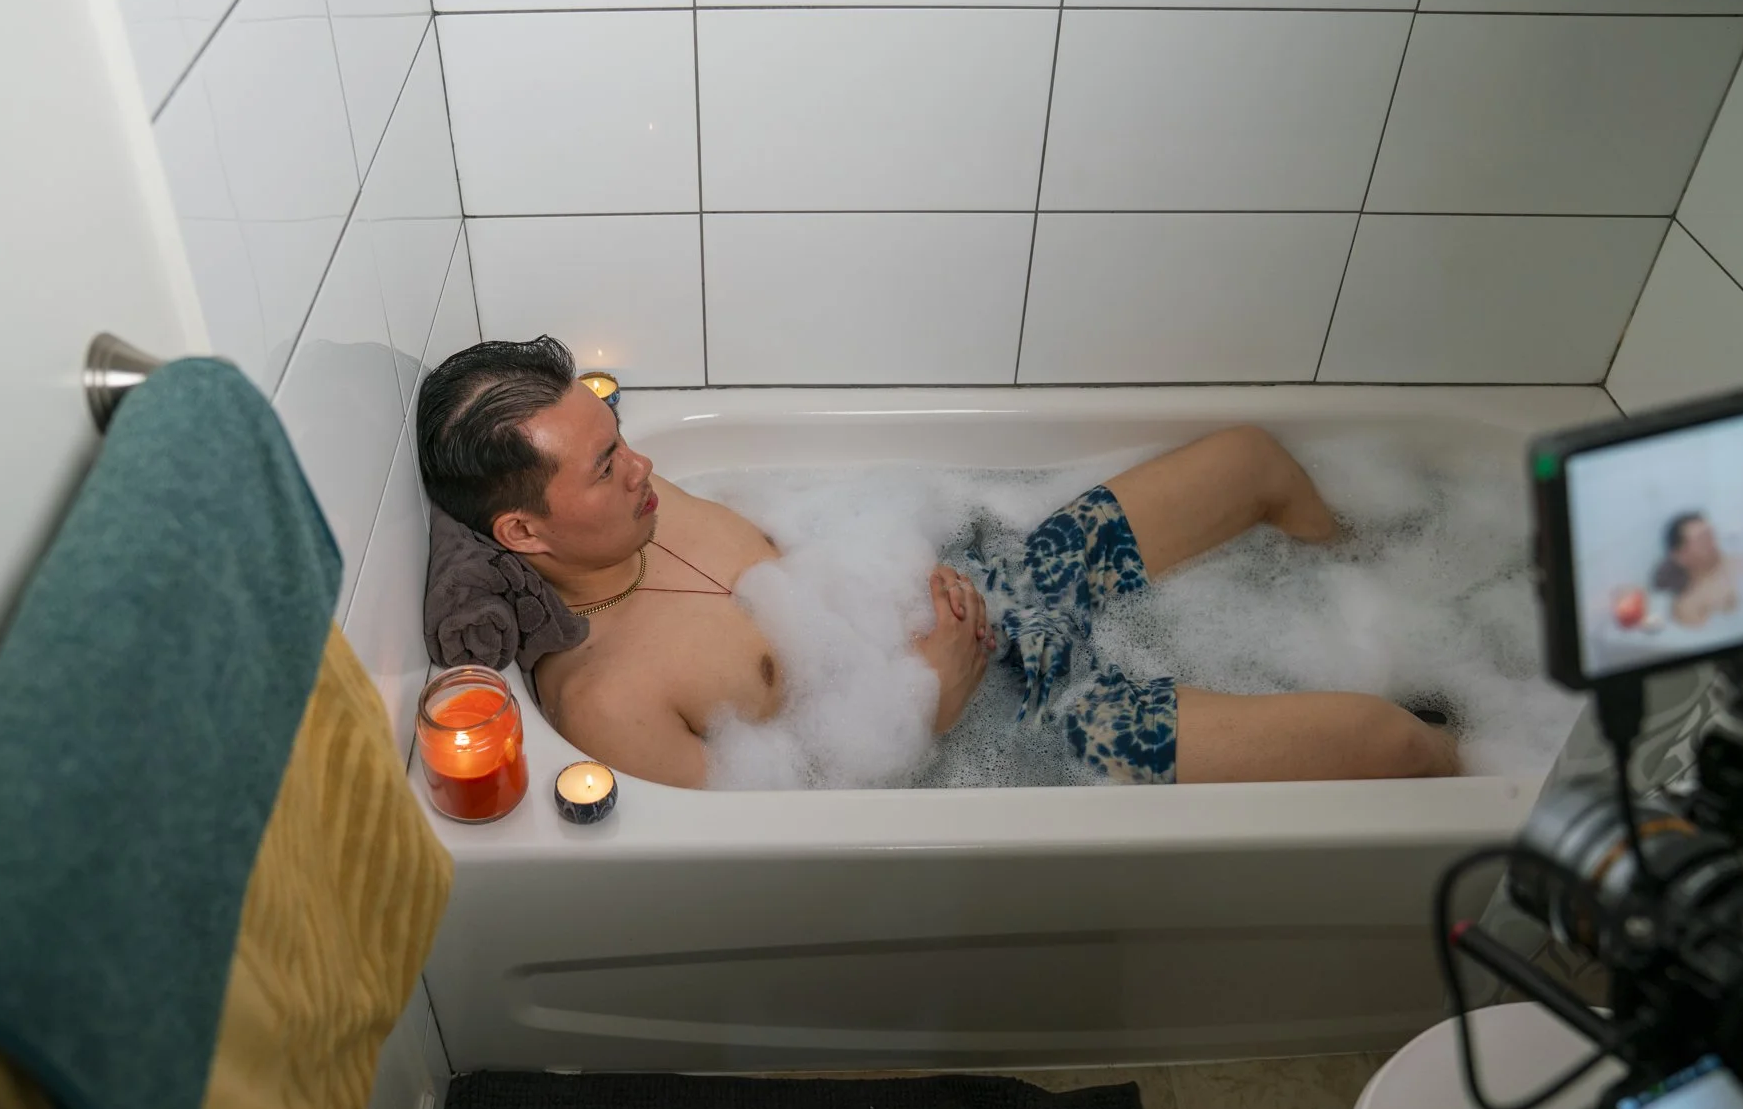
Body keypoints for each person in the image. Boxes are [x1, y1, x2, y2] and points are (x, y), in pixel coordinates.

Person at [417, 337, 1461, 790]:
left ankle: (1375, 583)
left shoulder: (641, 506)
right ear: (523, 533)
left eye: (619, 433)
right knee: (1390, 743)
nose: (641, 463)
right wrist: (933, 704)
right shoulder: (609, 701)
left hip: (988, 587)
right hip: (1033, 726)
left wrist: (917, 585)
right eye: (604, 466)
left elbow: (822, 567)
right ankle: (1496, 780)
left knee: (1252, 459)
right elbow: (780, 854)